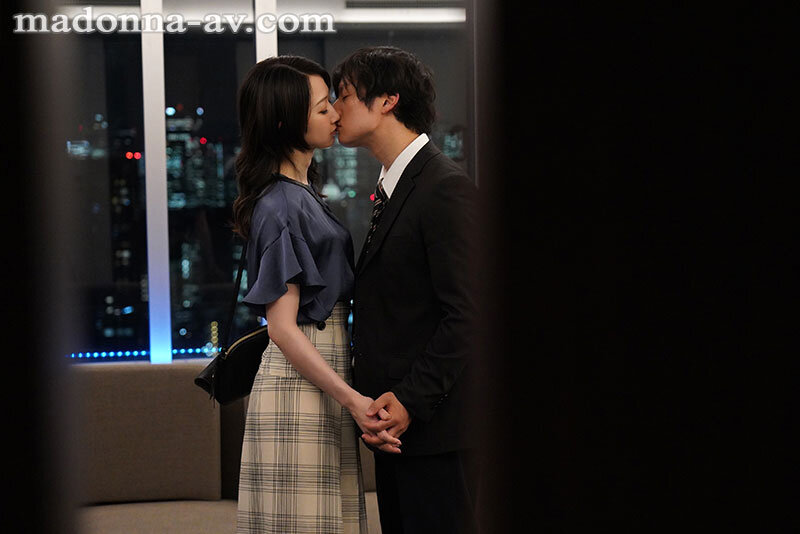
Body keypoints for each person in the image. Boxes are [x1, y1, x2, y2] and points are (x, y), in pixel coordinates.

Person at [232, 55, 399, 534]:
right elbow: (282, 329)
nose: (335, 114)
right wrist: (353, 399)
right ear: (284, 121)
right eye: (323, 107)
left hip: (319, 376)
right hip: (300, 382)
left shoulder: (300, 192)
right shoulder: (280, 203)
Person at [332, 47, 480, 534]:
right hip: (397, 430)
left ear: (387, 100)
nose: (335, 109)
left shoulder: (443, 187)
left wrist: (410, 400)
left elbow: (469, 313)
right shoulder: (393, 185)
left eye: (344, 95)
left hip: (436, 431)